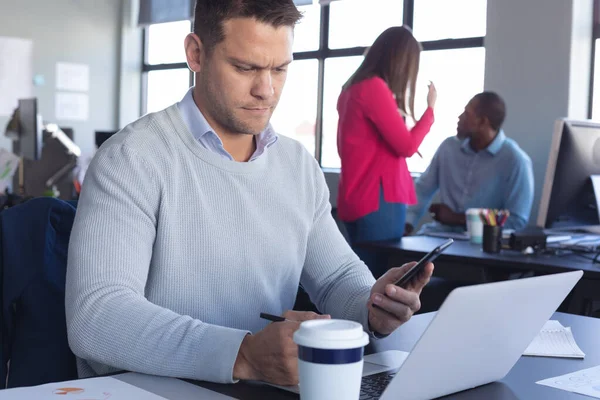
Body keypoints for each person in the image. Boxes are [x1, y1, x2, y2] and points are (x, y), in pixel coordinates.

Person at [65, 0, 434, 387]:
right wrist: (242, 354)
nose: (266, 90)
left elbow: (337, 276)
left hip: (262, 388)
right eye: (245, 68)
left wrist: (373, 305)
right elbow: (97, 315)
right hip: (146, 391)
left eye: (280, 68)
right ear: (196, 54)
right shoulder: (132, 157)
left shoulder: (296, 164)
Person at [336, 26, 437, 277]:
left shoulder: (351, 88)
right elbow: (406, 146)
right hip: (378, 198)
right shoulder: (373, 88)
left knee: (361, 274)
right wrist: (430, 111)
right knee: (379, 278)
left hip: (356, 195)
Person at [405, 92, 534, 235]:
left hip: (481, 246)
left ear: (482, 122)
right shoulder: (448, 148)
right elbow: (422, 190)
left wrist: (458, 219)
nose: (459, 118)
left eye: (466, 114)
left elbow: (517, 221)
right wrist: (406, 225)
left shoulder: (516, 161)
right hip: (437, 235)